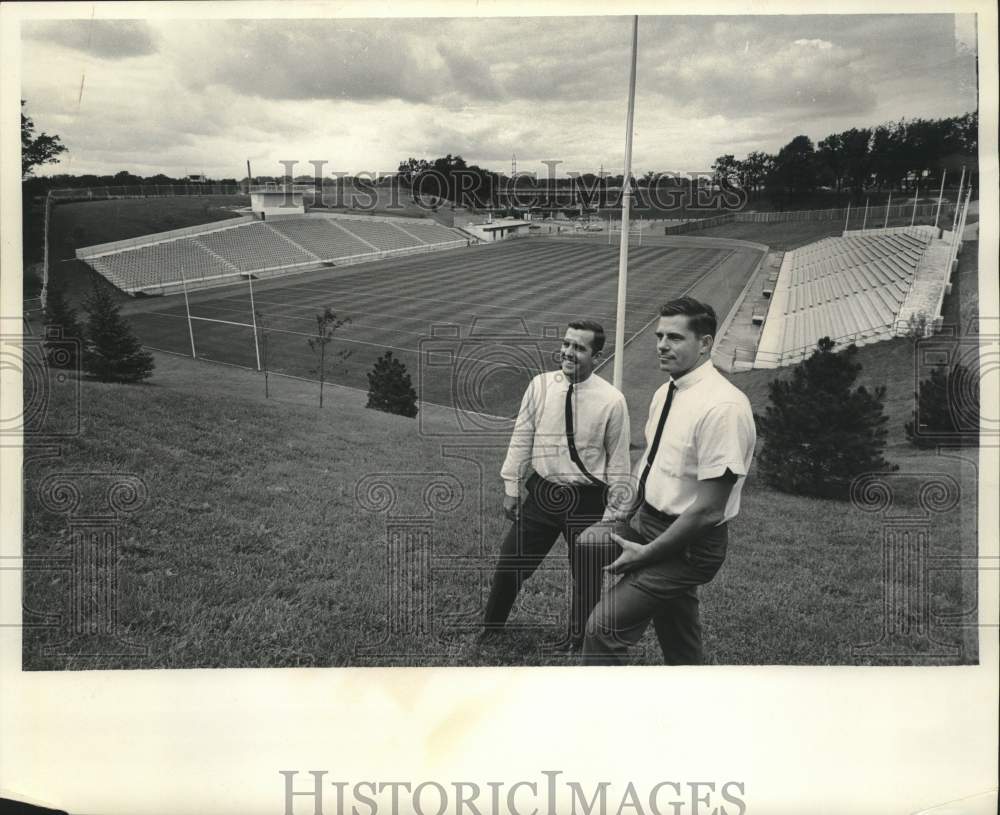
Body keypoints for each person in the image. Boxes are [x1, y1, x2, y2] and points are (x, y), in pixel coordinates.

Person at [580, 296, 756, 665]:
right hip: (647, 521)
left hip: (690, 544)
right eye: (659, 335)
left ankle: (595, 717)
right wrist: (621, 512)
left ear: (705, 343)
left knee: (604, 628)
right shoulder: (667, 391)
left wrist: (645, 556)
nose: (661, 345)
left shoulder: (723, 408)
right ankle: (689, 681)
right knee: (588, 544)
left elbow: (708, 510)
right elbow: (652, 459)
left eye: (674, 337)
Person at [481, 320, 632, 651]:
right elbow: (522, 436)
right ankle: (491, 628)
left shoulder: (612, 400)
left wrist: (613, 516)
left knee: (587, 576)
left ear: (597, 354)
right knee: (511, 562)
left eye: (579, 348)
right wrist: (511, 486)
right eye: (566, 344)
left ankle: (578, 640)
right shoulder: (539, 386)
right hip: (543, 494)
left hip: (587, 500)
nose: (568, 352)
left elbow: (619, 463)